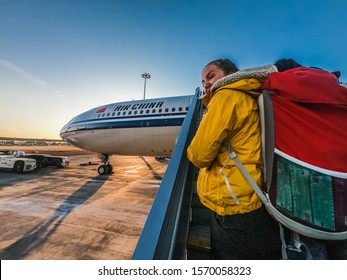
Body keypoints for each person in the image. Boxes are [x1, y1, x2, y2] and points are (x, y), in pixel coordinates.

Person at [187, 59, 281, 259]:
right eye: (203, 80)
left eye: (211, 76)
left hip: (233, 209)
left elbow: (199, 156)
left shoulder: (226, 96)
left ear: (229, 74)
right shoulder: (247, 94)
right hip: (252, 200)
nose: (205, 83)